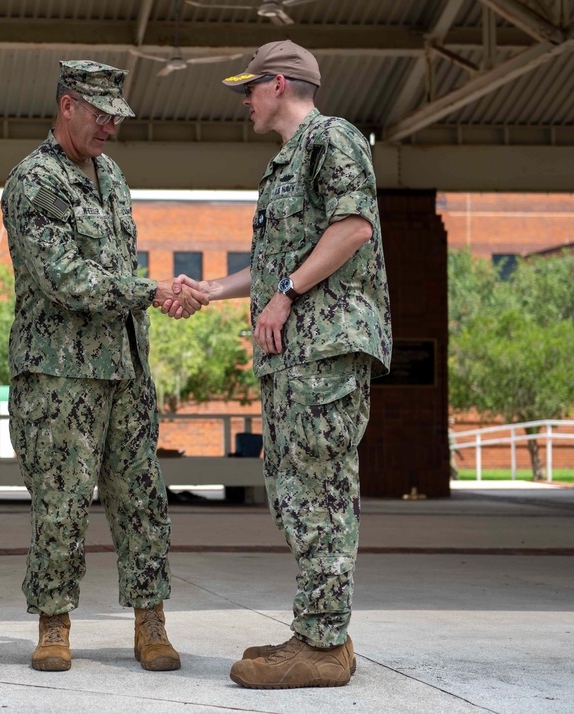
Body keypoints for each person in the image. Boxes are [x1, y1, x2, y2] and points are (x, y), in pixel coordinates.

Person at [161, 40, 392, 689]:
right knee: (295, 491)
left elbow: (353, 229)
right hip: (297, 355)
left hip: (324, 346)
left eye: (250, 88)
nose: (245, 100)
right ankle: (321, 632)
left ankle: (322, 645)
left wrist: (287, 297)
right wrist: (213, 290)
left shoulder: (332, 138)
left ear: (280, 83)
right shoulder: (289, 160)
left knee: (318, 491)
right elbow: (275, 267)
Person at [1, 60, 207, 674]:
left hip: (125, 371)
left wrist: (149, 302)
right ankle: (54, 622)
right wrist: (151, 292)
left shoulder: (111, 176)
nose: (110, 125)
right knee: (61, 503)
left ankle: (151, 622)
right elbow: (65, 279)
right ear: (68, 105)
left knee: (143, 500)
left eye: (116, 115)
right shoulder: (35, 181)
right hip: (61, 376)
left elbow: (113, 270)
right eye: (100, 112)